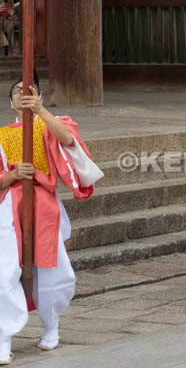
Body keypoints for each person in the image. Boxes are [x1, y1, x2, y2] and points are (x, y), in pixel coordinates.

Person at [0, 74, 101, 360]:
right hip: (8, 206)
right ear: (11, 102)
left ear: (40, 97)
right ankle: (3, 336)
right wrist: (11, 175)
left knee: (51, 268)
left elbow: (69, 140)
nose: (24, 94)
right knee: (4, 268)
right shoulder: (0, 135)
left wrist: (41, 113)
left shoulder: (48, 127)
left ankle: (51, 324)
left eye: (30, 91)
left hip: (44, 204)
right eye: (18, 91)